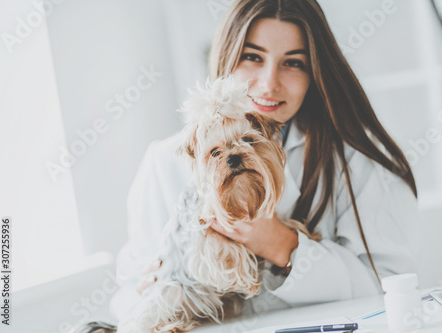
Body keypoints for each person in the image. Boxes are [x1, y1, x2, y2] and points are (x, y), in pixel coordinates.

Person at [109, 0, 419, 327]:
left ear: (315, 73)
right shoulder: (164, 162)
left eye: (294, 63)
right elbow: (128, 294)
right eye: (253, 57)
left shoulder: (356, 162)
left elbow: (391, 291)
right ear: (226, 56)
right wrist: (148, 295)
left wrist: (280, 243)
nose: (269, 82)